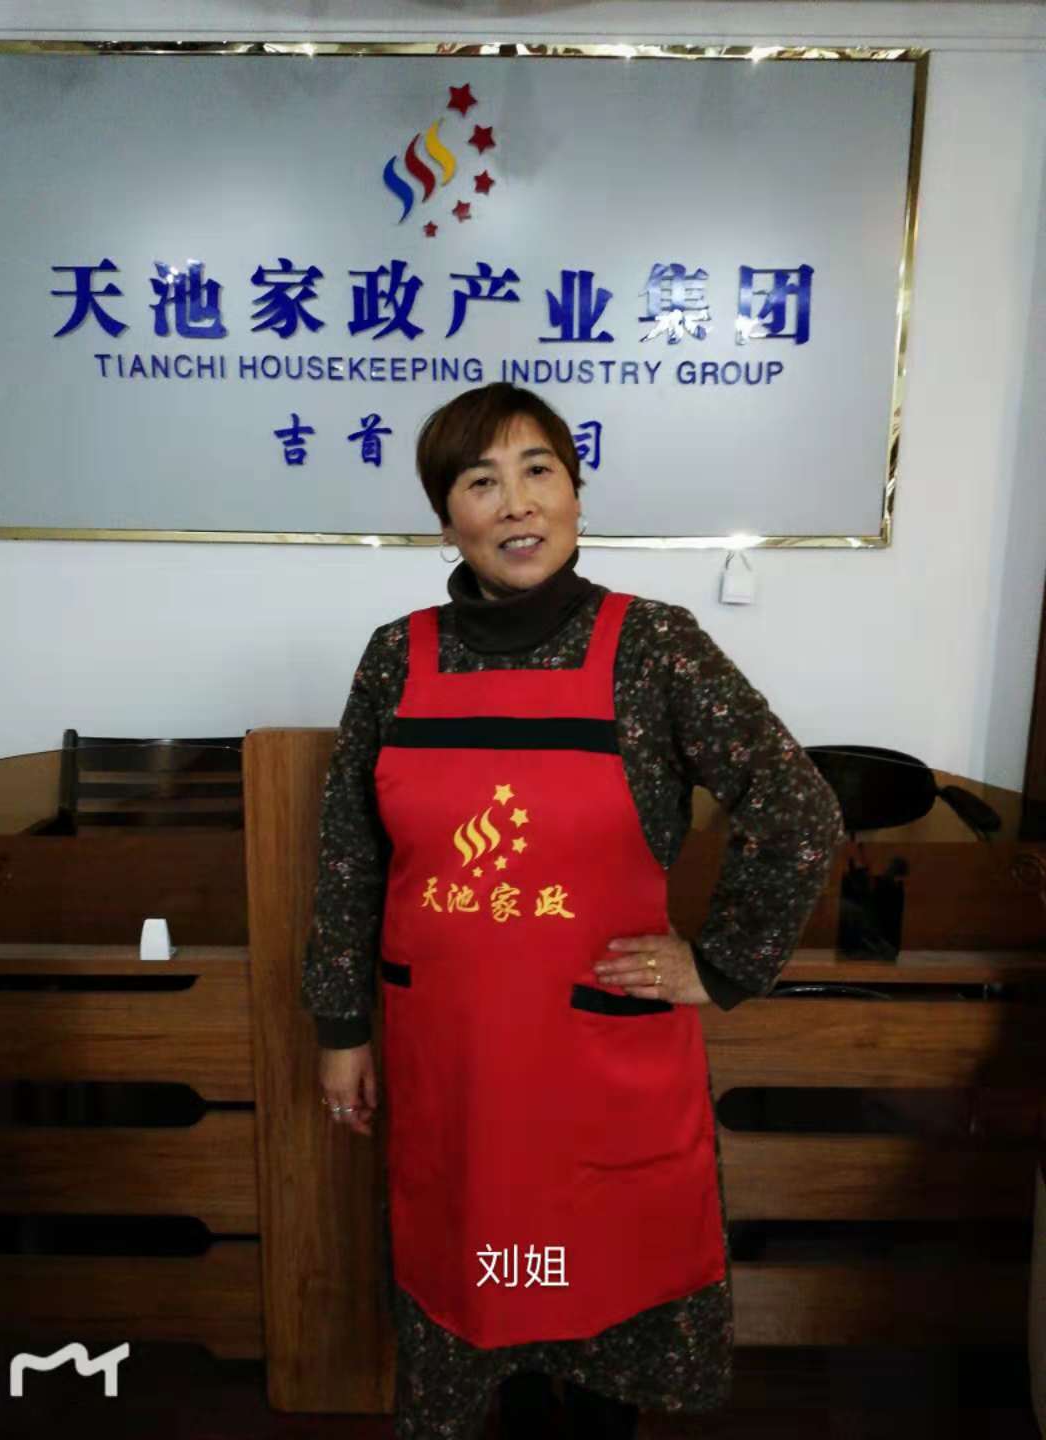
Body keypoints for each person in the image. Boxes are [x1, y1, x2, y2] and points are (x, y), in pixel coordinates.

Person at [302, 382, 846, 1440]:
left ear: (576, 495)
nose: (516, 503)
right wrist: (340, 1027)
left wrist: (721, 963)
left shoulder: (654, 647)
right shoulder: (397, 656)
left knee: (599, 1317)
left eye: (538, 471)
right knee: (478, 1296)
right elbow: (347, 856)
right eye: (481, 481)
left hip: (597, 1065)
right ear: (446, 519)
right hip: (454, 1061)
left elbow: (798, 809)